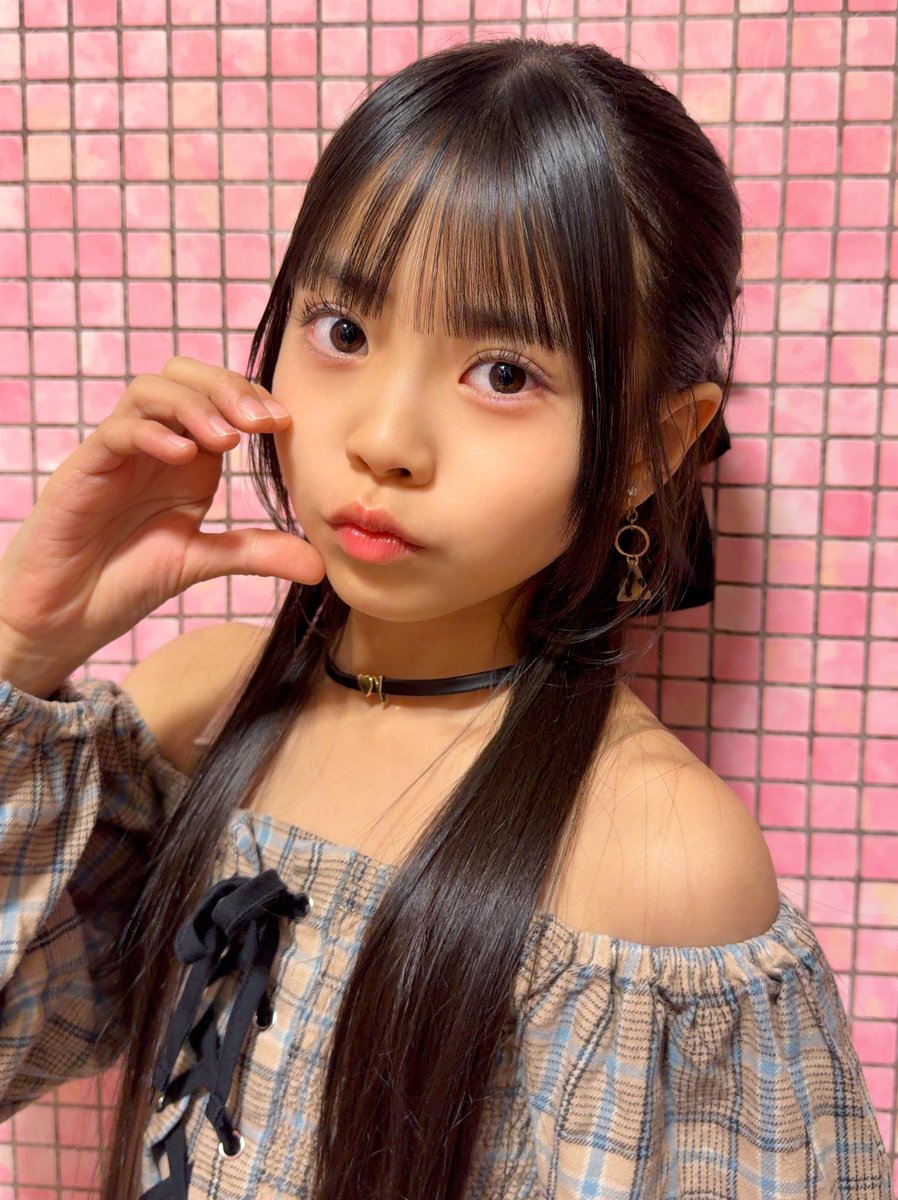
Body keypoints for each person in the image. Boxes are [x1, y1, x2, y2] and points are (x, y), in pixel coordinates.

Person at [0, 35, 891, 1200]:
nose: (385, 439)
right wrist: (23, 645)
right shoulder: (193, 708)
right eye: (344, 332)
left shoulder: (657, 860)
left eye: (504, 373)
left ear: (649, 446)